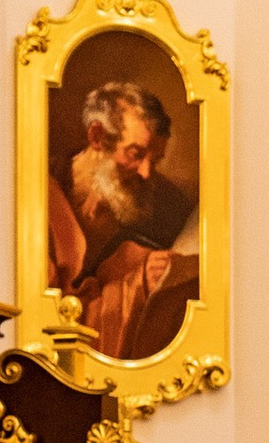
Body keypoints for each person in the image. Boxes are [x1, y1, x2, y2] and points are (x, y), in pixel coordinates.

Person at [48, 78, 201, 365]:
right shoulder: (43, 196)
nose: (146, 173)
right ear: (96, 137)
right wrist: (138, 282)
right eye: (136, 153)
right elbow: (53, 317)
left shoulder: (154, 206)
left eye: (154, 160)